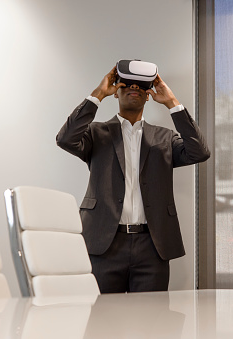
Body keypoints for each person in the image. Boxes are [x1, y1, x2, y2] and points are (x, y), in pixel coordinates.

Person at [56, 64, 210, 293]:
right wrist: (98, 94)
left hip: (152, 245)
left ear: (149, 95)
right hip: (104, 243)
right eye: (126, 84)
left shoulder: (165, 138)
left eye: (141, 85)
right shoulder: (96, 134)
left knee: (152, 322)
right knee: (104, 321)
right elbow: (66, 139)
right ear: (116, 91)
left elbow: (199, 152)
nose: (133, 88)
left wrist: (172, 102)